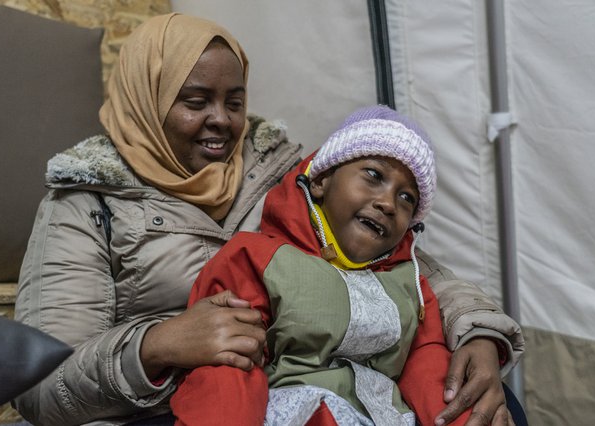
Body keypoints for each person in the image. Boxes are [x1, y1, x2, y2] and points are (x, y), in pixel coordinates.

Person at [12, 12, 523, 426]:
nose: (222, 120)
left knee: (489, 407)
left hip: (308, 384)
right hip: (164, 408)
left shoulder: (284, 171)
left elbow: (409, 268)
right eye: (195, 101)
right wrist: (156, 346)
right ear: (147, 99)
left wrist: (476, 333)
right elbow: (39, 385)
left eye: (234, 102)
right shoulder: (85, 206)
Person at [171, 104, 479, 425]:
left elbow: (427, 364)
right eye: (374, 175)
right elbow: (229, 363)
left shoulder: (410, 283)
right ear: (320, 180)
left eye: (407, 198)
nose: (388, 203)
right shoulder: (257, 257)